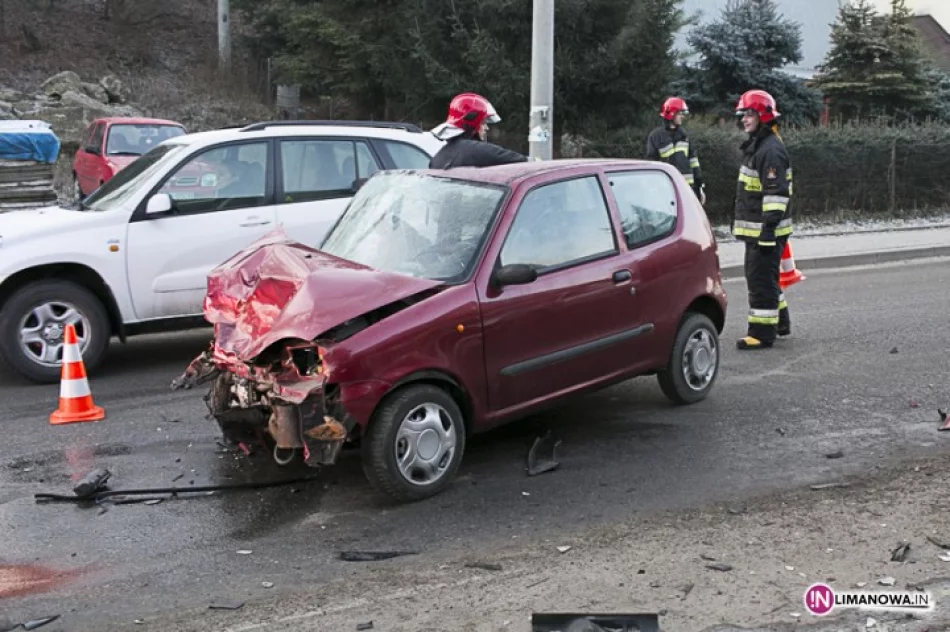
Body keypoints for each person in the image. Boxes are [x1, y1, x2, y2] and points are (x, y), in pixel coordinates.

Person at [732, 89, 794, 350]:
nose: (744, 119)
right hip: (760, 230)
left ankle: (761, 333)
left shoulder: (769, 150)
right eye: (742, 114)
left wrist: (768, 229)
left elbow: (776, 193)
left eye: (749, 114)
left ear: (762, 116)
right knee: (766, 278)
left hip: (765, 231)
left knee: (760, 281)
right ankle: (780, 322)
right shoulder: (760, 145)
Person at [429, 92, 527, 168]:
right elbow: (520, 160)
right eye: (483, 122)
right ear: (472, 122)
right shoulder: (476, 150)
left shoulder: (438, 158)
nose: (487, 128)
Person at [645, 97, 706, 205]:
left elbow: (693, 160)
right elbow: (651, 164)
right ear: (671, 113)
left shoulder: (684, 135)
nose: (682, 116)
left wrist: (699, 185)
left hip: (687, 188)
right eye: (680, 113)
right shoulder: (656, 136)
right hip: (666, 190)